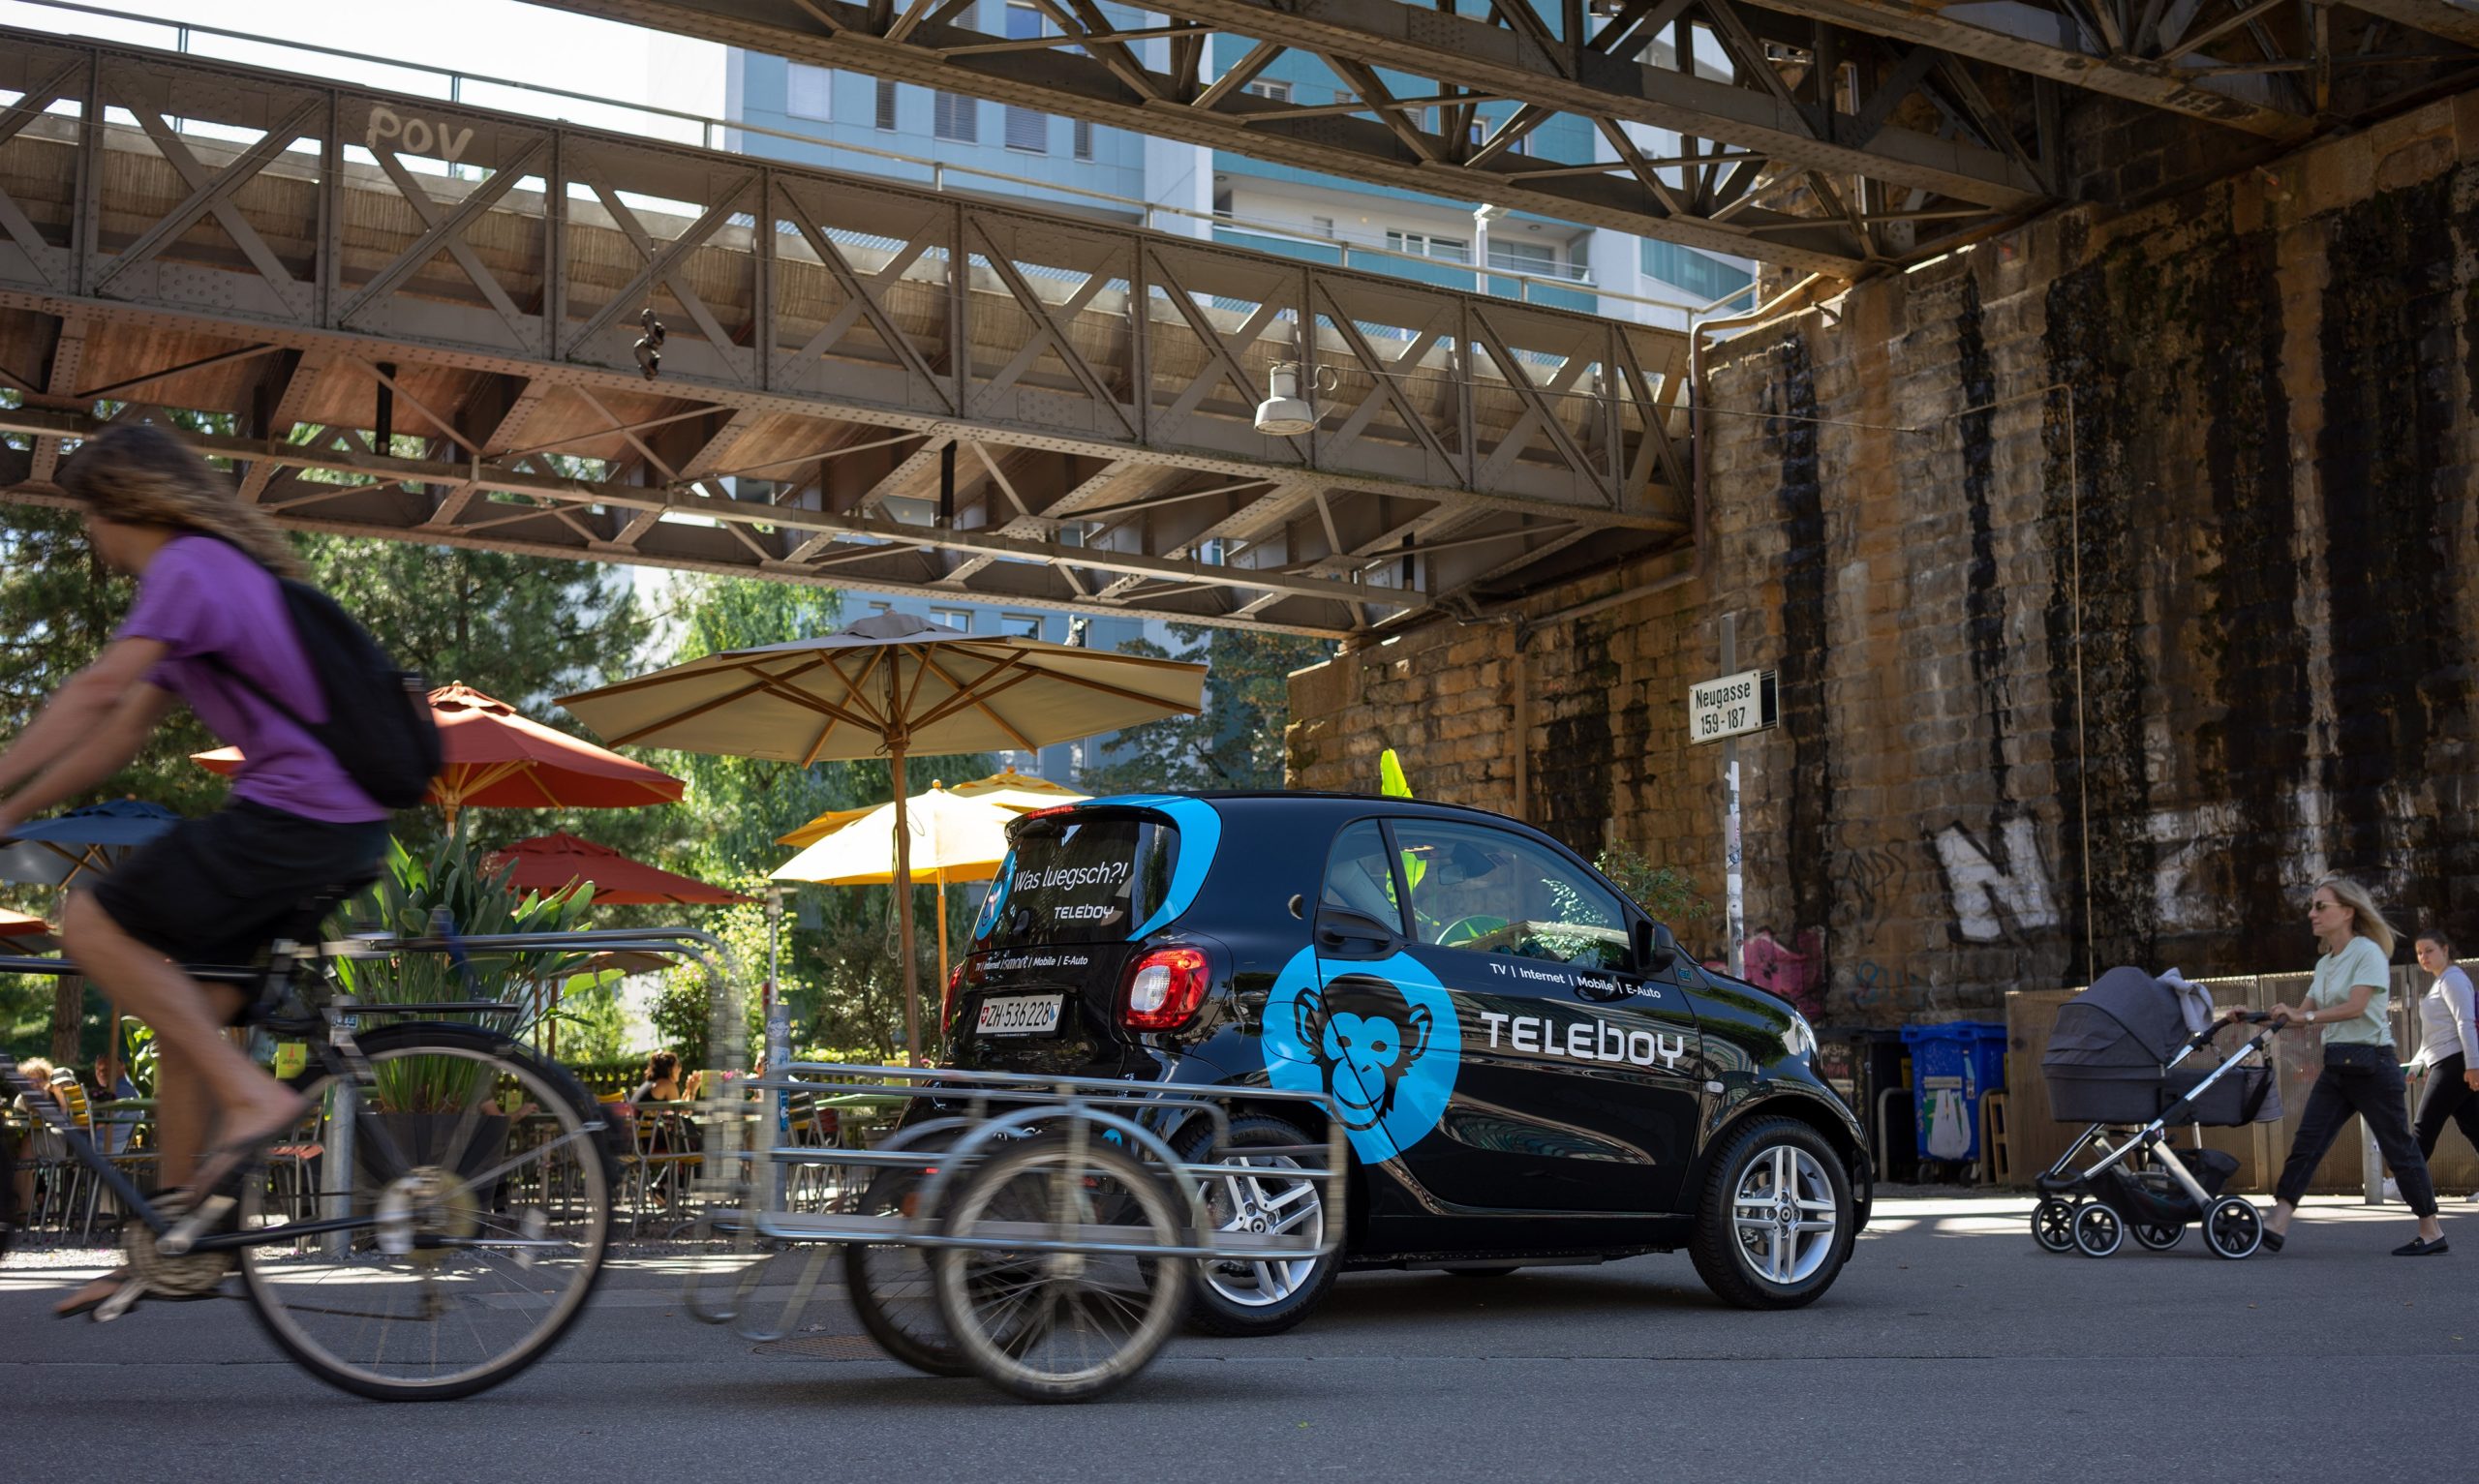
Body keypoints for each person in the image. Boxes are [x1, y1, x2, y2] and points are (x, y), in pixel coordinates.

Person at [0, 424, 392, 1316]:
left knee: (91, 919)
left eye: (88, 516)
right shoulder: (217, 579)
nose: (89, 537)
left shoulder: (189, 570)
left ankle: (253, 1095)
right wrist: (12, 813)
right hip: (325, 823)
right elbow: (119, 732)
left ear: (118, 505)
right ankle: (175, 1241)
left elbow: (95, 691)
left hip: (295, 816)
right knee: (191, 1012)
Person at [2260, 877, 2447, 1257]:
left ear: (2346, 912)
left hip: (2373, 1064)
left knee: (2399, 1149)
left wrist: (2307, 1016)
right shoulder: (2326, 963)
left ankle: (2431, 1231)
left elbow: (2356, 1007)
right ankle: (2278, 1218)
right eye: (2312, 907)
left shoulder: (2368, 953)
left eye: (2320, 906)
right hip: (2336, 1066)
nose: (2311, 914)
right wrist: (2256, 1017)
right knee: (2307, 1143)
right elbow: (2302, 1014)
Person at [2406, 927, 2479, 1194]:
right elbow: (2432, 1037)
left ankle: (2405, 1183)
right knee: (2474, 1126)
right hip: (2447, 1060)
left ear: (2445, 950)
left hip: (2454, 1063)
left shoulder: (2453, 980)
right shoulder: (2439, 982)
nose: (2423, 957)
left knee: (2424, 1126)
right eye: (2419, 953)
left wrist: (2473, 1065)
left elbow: (2465, 1023)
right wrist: (2417, 1062)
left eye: (2429, 950)